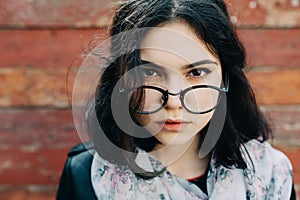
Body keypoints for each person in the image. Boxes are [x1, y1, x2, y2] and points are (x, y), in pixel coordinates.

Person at [57, 0, 296, 199]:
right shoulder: (87, 176)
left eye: (196, 73)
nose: (173, 100)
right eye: (150, 73)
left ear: (225, 77)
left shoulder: (269, 175)